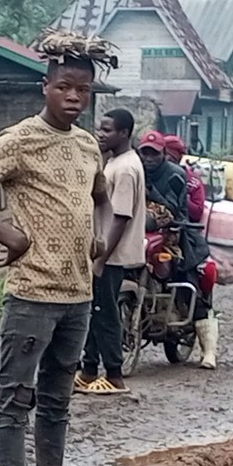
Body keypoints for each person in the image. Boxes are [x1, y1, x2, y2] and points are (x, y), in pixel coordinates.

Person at [0, 30, 113, 466]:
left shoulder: (88, 145)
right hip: (32, 294)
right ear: (46, 87)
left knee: (58, 400)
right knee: (16, 399)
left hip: (78, 295)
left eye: (83, 89)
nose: (74, 97)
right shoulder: (19, 140)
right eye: (64, 87)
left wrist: (101, 242)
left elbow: (102, 199)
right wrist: (9, 234)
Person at [78, 108, 146, 396]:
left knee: (105, 313)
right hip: (105, 252)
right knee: (95, 311)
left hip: (112, 255)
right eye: (100, 129)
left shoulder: (126, 168)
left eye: (107, 130)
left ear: (124, 133)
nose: (101, 134)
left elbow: (120, 217)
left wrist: (101, 259)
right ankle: (89, 370)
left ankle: (115, 375)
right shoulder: (115, 162)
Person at [140, 135, 217, 369]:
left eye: (154, 153)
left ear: (163, 153)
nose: (149, 158)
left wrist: (150, 190)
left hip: (175, 234)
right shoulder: (135, 169)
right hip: (140, 235)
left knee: (189, 278)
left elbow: (172, 208)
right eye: (145, 152)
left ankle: (209, 352)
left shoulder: (175, 174)